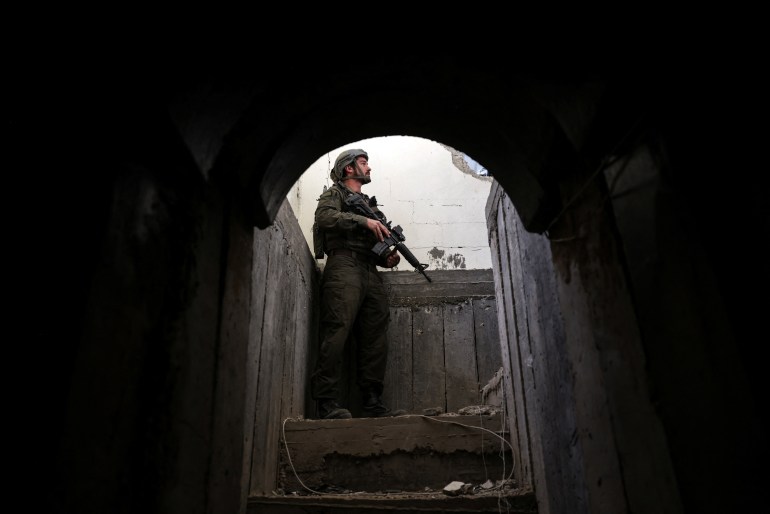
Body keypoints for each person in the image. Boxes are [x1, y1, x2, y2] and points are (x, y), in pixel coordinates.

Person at [310, 148, 406, 419]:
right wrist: (363, 221)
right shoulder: (335, 194)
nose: (369, 167)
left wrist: (388, 257)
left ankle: (372, 400)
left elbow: (375, 245)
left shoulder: (370, 205)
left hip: (368, 269)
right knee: (337, 329)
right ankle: (326, 402)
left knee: (375, 333)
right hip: (343, 266)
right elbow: (325, 218)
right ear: (349, 168)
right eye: (364, 163)